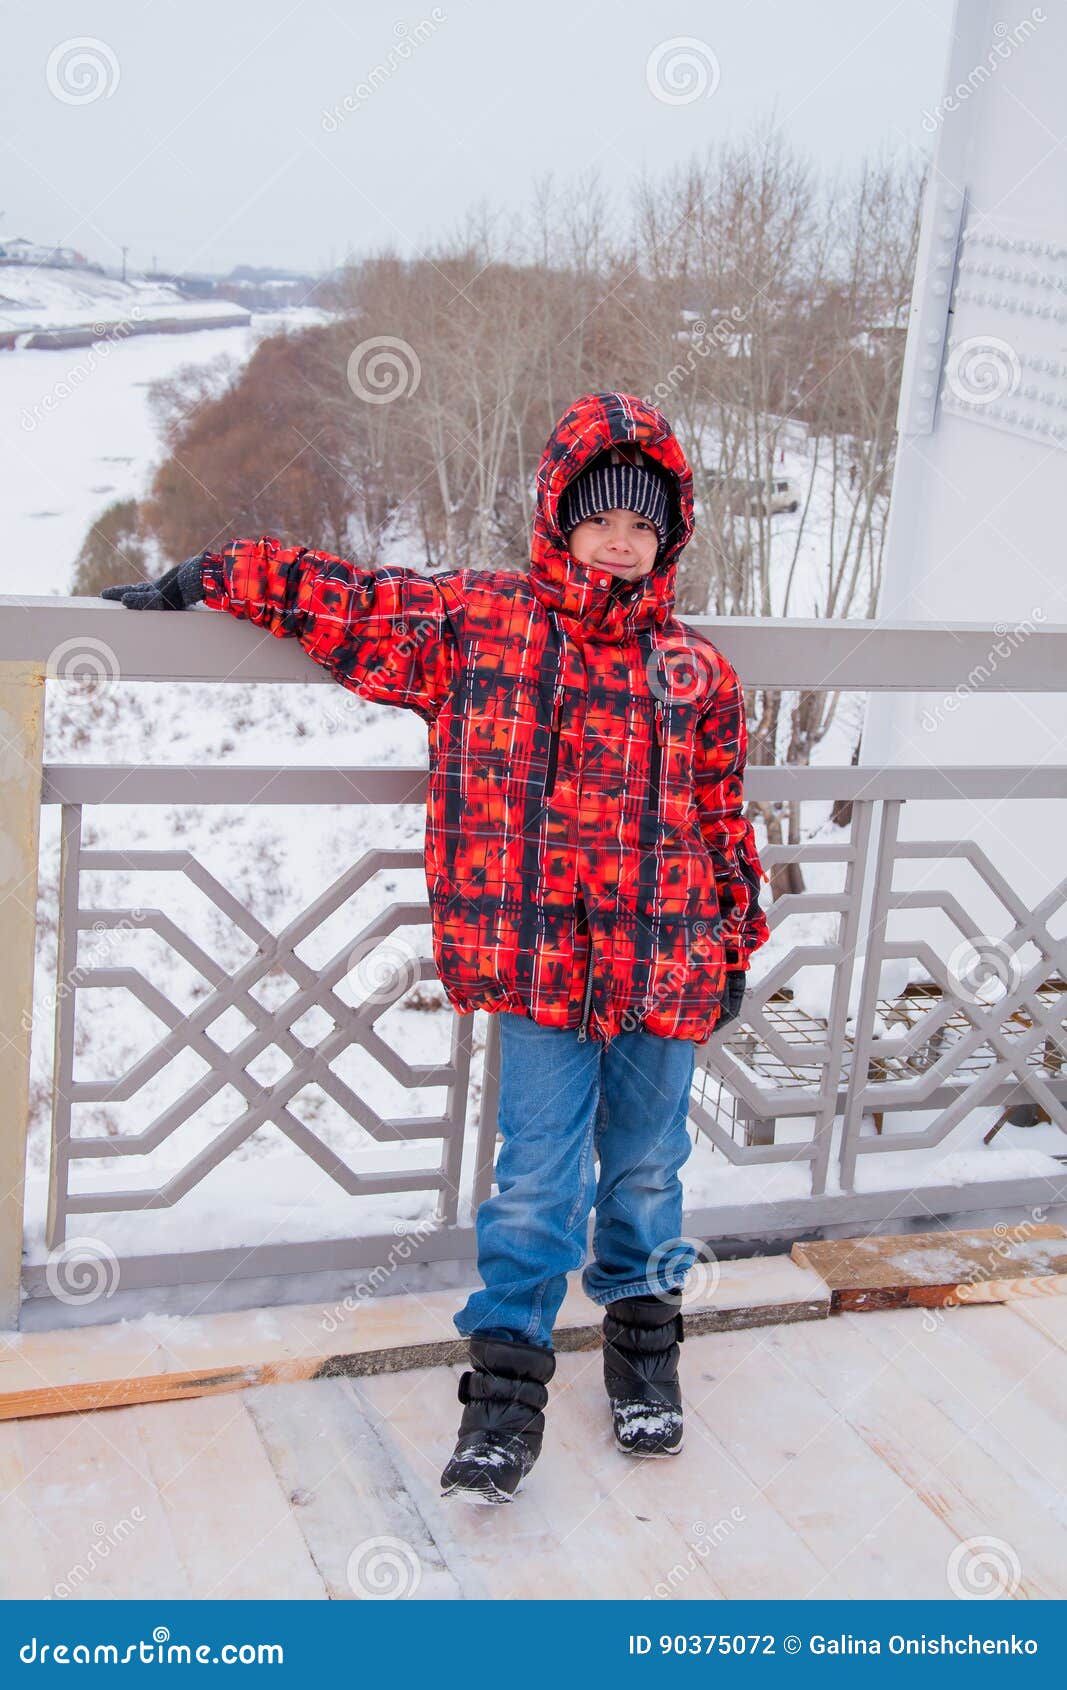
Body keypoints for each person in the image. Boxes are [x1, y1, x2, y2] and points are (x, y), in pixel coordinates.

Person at [101, 390, 770, 1506]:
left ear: (667, 540)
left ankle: (643, 1357)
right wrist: (217, 575)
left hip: (669, 964)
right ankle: (504, 1398)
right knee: (533, 1183)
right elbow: (351, 608)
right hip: (541, 970)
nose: (618, 540)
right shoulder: (481, 624)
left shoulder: (694, 671)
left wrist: (736, 933)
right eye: (600, 516)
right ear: (559, 517)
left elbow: (719, 816)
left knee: (649, 1173)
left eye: (641, 525)